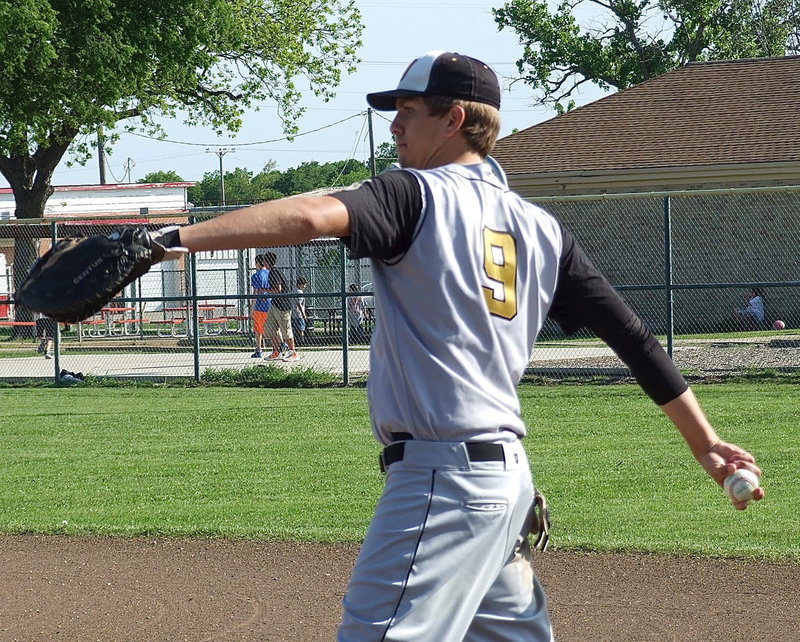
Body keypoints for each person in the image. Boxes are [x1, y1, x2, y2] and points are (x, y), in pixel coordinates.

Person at [159, 50, 764, 640]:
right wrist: (706, 443)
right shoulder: (541, 228)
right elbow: (635, 340)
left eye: (409, 110)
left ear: (454, 120)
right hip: (504, 487)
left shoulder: (414, 195)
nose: (394, 124)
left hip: (443, 483)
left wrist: (169, 240)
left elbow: (314, 216)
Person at [263, 252, 298, 362]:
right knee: (270, 328)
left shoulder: (274, 271)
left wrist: (266, 292)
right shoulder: (270, 272)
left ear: (267, 262)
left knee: (285, 329)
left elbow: (278, 288)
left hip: (282, 305)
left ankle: (293, 352)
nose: (263, 263)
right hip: (274, 304)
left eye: (264, 260)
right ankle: (277, 352)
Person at [250, 254, 271, 358]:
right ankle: (280, 345)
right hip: (271, 304)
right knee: (274, 327)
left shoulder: (256, 276)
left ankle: (259, 349)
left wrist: (252, 308)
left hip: (259, 306)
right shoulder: (270, 273)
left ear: (258, 263)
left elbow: (256, 292)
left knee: (258, 329)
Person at [291, 277, 309, 345]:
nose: (305, 286)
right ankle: (302, 340)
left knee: (295, 328)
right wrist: (303, 314)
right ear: (300, 284)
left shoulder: (294, 290)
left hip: (293, 313)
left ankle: (296, 341)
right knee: (301, 328)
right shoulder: (299, 292)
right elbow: (299, 304)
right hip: (299, 314)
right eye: (304, 284)